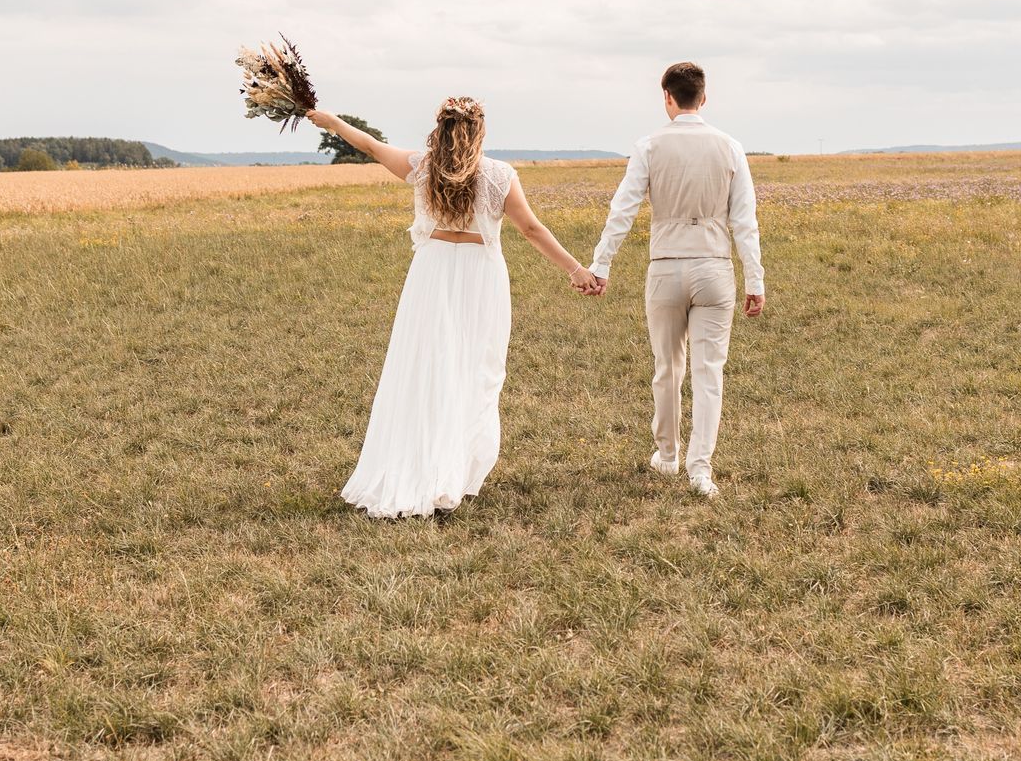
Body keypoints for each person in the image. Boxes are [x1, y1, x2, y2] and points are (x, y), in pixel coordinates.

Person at [307, 99, 600, 518]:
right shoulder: (499, 175)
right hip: (481, 276)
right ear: (479, 130)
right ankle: (454, 470)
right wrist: (575, 269)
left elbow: (369, 145)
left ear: (440, 130)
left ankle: (424, 464)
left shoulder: (422, 168)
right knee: (476, 369)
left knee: (426, 365)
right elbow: (532, 229)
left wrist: (332, 122)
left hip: (432, 271)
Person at [586, 62, 764, 498]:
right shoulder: (730, 147)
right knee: (709, 372)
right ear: (703, 97)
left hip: (665, 266)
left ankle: (667, 454)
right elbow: (745, 221)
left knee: (667, 366)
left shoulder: (649, 146)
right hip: (714, 267)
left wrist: (601, 264)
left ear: (667, 97)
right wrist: (755, 280)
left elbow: (623, 210)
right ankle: (700, 469)